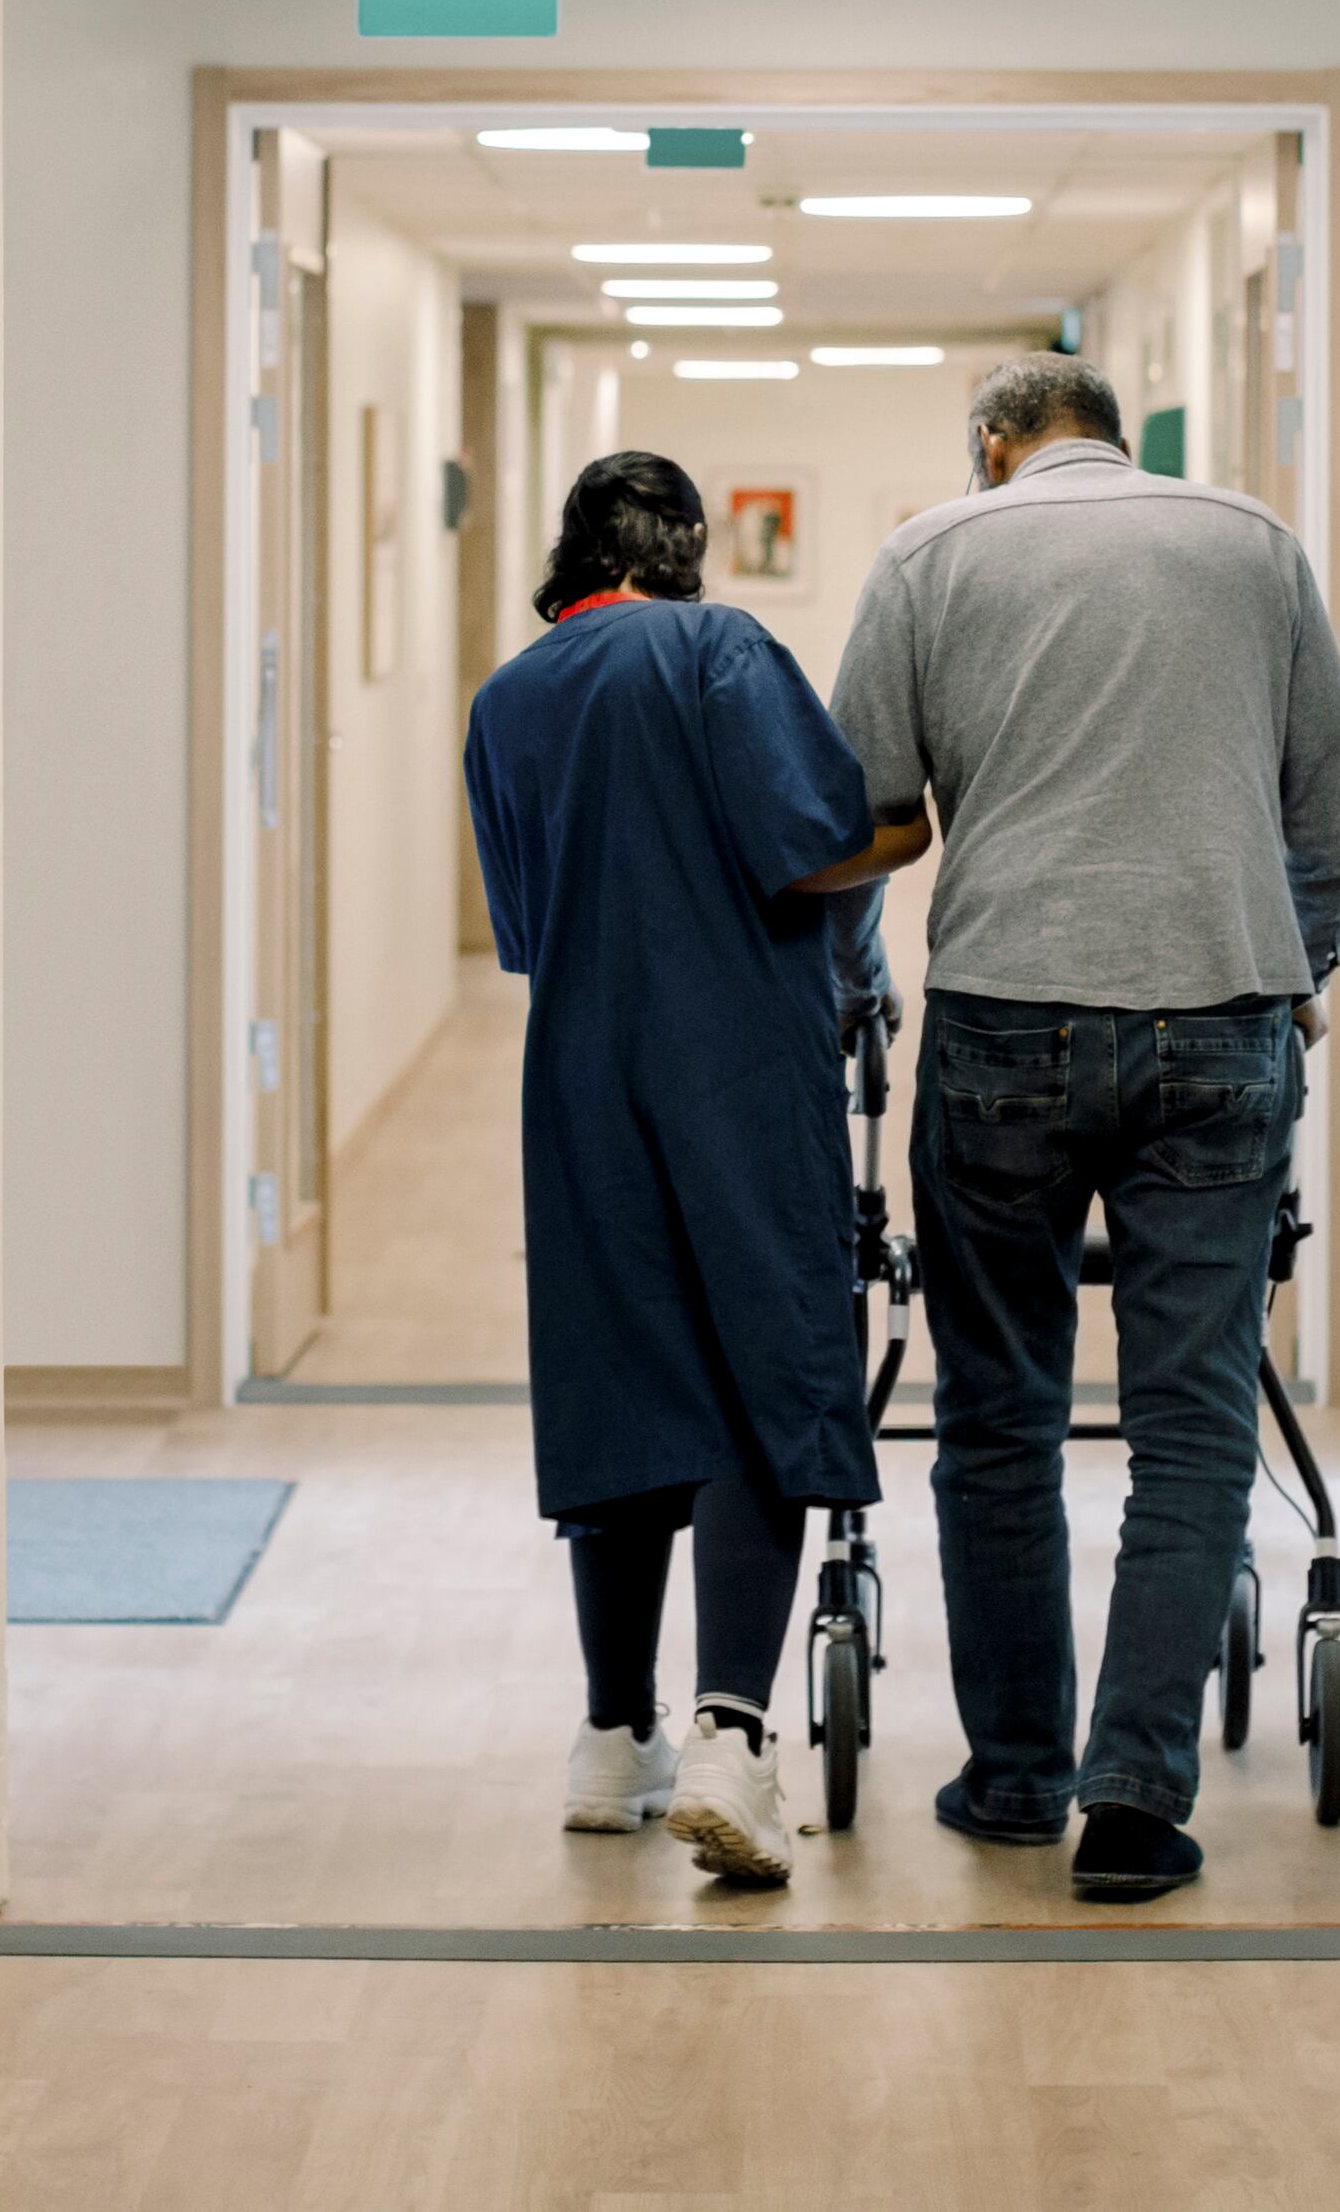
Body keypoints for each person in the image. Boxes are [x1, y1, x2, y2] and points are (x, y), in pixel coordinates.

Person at [817, 354, 1340, 1904]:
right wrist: (1291, 972)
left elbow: (864, 811)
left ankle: (1013, 1779)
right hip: (1222, 1013)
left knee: (999, 1413)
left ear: (995, 447)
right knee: (1194, 1415)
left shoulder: (934, 552)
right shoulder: (1254, 546)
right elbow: (1338, 829)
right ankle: (1137, 1796)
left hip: (1004, 1014)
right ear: (1118, 438)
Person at [462, 450, 891, 1886]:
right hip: (738, 1070)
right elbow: (822, 846)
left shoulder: (508, 700)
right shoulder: (718, 648)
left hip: (581, 1074)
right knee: (762, 1372)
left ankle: (607, 1738)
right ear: (689, 548)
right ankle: (729, 1734)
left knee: (623, 1373)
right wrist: (916, 814)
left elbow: (524, 927)